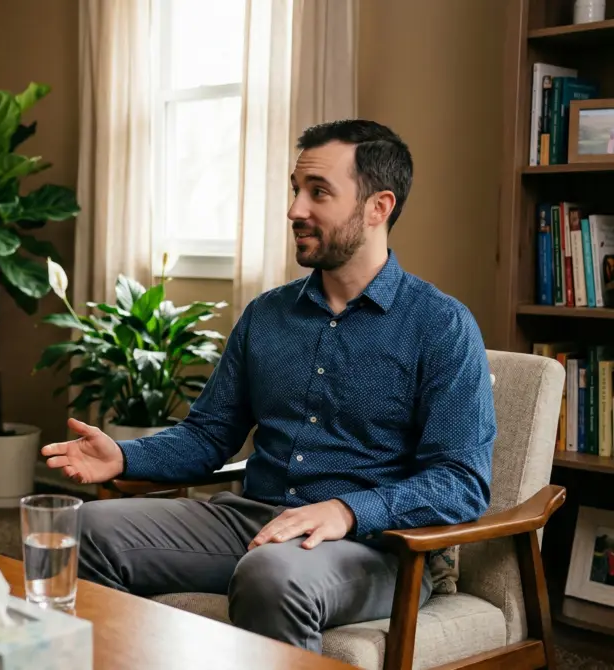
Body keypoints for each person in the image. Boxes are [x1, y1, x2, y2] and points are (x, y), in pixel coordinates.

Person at [41, 119, 495, 652]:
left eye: (318, 193)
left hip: (373, 548)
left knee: (271, 574)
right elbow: (210, 434)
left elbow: (461, 481)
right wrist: (123, 455)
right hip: (253, 520)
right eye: (295, 190)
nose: (295, 210)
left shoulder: (440, 326)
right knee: (78, 529)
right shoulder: (267, 316)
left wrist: (347, 510)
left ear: (379, 207)